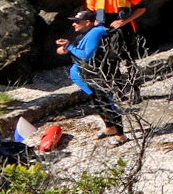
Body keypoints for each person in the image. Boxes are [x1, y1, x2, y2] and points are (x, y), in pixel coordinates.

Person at [54, 10, 128, 145]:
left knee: (106, 104)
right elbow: (77, 48)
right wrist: (65, 48)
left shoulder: (95, 33)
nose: (73, 25)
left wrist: (69, 46)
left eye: (77, 22)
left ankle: (121, 136)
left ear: (87, 22)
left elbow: (87, 55)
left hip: (99, 74)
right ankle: (110, 128)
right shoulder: (86, 34)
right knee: (96, 103)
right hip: (87, 74)